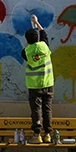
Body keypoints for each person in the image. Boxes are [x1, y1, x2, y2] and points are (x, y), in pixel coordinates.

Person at [22, 14, 54, 144]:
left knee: (36, 110)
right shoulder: (44, 47)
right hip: (48, 83)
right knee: (47, 109)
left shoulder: (26, 52)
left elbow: (29, 48)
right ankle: (48, 134)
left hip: (34, 85)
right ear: (38, 39)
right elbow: (44, 35)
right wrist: (37, 22)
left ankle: (37, 134)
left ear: (27, 40)